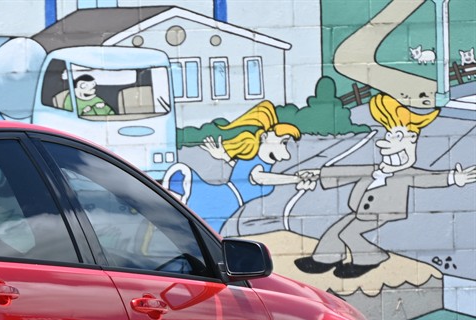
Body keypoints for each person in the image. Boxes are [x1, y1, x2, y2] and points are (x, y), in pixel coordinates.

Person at [295, 93, 475, 278]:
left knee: (349, 233)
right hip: (361, 211)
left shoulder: (405, 172)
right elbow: (347, 172)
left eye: (397, 135)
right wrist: (318, 174)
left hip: (382, 211)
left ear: (411, 139)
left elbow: (427, 178)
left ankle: (370, 257)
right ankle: (325, 258)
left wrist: (454, 178)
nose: (389, 139)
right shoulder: (377, 168)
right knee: (336, 230)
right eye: (390, 134)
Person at [161, 100, 316, 232]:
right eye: (283, 142)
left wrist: (224, 156)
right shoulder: (258, 166)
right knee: (203, 232)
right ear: (264, 137)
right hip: (224, 200)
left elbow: (243, 169)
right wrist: (295, 179)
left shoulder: (253, 157)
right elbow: (260, 178)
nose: (286, 151)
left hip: (228, 203)